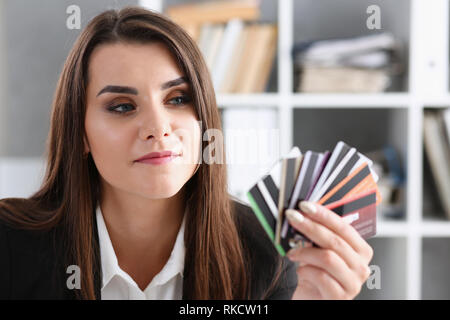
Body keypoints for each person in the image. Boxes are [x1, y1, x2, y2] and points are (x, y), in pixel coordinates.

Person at [0, 6, 373, 300]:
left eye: (178, 99)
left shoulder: (270, 257)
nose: (158, 127)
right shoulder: (10, 246)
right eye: (122, 106)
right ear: (79, 132)